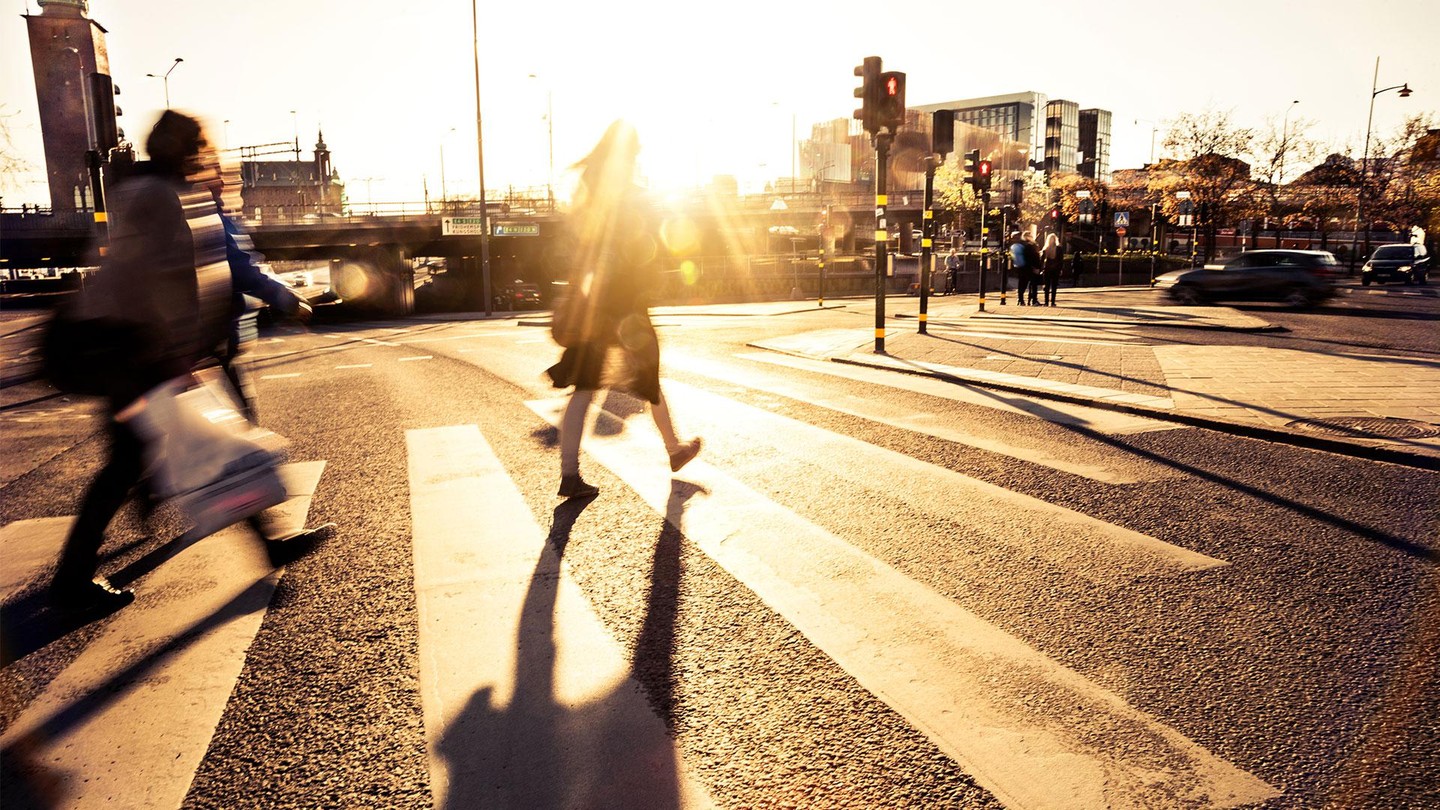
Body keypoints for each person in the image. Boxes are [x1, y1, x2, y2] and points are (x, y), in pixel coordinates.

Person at [48, 111, 231, 613]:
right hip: (130, 346)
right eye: (198, 145)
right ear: (183, 149)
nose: (203, 154)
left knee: (148, 451)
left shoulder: (140, 189)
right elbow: (163, 277)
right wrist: (177, 350)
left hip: (127, 343)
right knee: (131, 459)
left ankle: (268, 539)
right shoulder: (160, 195)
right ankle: (69, 582)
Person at [545, 121, 700, 499]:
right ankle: (673, 450)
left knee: (586, 387)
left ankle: (571, 474)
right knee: (647, 376)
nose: (636, 157)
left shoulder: (589, 191)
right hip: (623, 305)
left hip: (593, 303)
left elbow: (582, 247)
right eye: (634, 151)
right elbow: (638, 246)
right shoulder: (627, 194)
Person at [1041, 232, 1065, 306]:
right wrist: (1060, 269)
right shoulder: (1059, 249)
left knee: (1047, 286)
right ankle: (1053, 302)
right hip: (1056, 269)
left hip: (1047, 269)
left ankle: (1046, 302)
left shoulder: (1045, 249)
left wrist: (1041, 269)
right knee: (1054, 286)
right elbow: (1061, 260)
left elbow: (1042, 260)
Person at [1021, 232, 1042, 305]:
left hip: (1025, 268)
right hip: (1031, 267)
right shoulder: (1031, 245)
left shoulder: (1023, 245)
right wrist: (1036, 266)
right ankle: (1034, 300)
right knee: (1033, 285)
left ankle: (1021, 300)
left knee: (1023, 284)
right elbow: (1034, 257)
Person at [1008, 233, 1030, 306]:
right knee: (1024, 283)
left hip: (1017, 266)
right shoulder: (1022, 245)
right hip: (1024, 266)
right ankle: (1021, 299)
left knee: (1021, 283)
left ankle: (1020, 299)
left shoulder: (1012, 246)